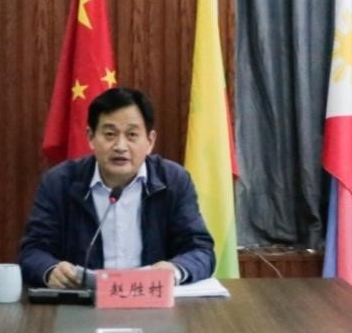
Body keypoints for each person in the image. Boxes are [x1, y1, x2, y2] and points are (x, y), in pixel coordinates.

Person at [19, 87, 215, 288]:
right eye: (110, 134)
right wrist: (50, 269)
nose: (120, 146)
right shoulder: (59, 182)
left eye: (132, 135)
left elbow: (201, 251)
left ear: (150, 141)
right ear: (91, 137)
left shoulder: (173, 181)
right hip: (84, 302)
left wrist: (175, 270)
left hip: (150, 300)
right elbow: (32, 251)